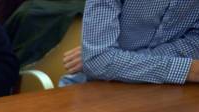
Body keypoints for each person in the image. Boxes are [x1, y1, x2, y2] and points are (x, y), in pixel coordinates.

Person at [60, 0, 199, 86]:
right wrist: (187, 69)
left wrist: (116, 58)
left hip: (168, 94)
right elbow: (98, 60)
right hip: (93, 90)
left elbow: (193, 46)